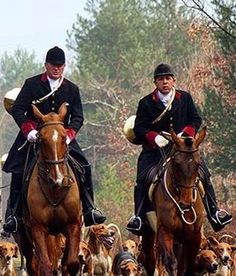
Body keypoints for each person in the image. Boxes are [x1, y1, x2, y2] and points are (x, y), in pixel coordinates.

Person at [1, 46, 106, 236]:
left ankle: (90, 209)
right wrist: (29, 131)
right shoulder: (32, 84)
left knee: (85, 166)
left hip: (61, 137)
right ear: (46, 65)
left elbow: (78, 117)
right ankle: (14, 216)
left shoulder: (71, 89)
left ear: (64, 66)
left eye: (60, 65)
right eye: (53, 65)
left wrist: (69, 135)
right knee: (18, 169)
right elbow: (18, 109)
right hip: (35, 137)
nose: (56, 69)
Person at [126, 63, 232, 235]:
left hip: (183, 148)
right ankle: (138, 217)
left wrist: (186, 134)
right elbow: (139, 127)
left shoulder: (185, 98)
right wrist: (154, 137)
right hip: (155, 150)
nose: (165, 82)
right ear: (155, 83)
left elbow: (196, 120)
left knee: (204, 173)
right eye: (161, 79)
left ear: (174, 80)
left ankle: (214, 212)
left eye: (168, 78)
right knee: (142, 179)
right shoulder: (145, 102)